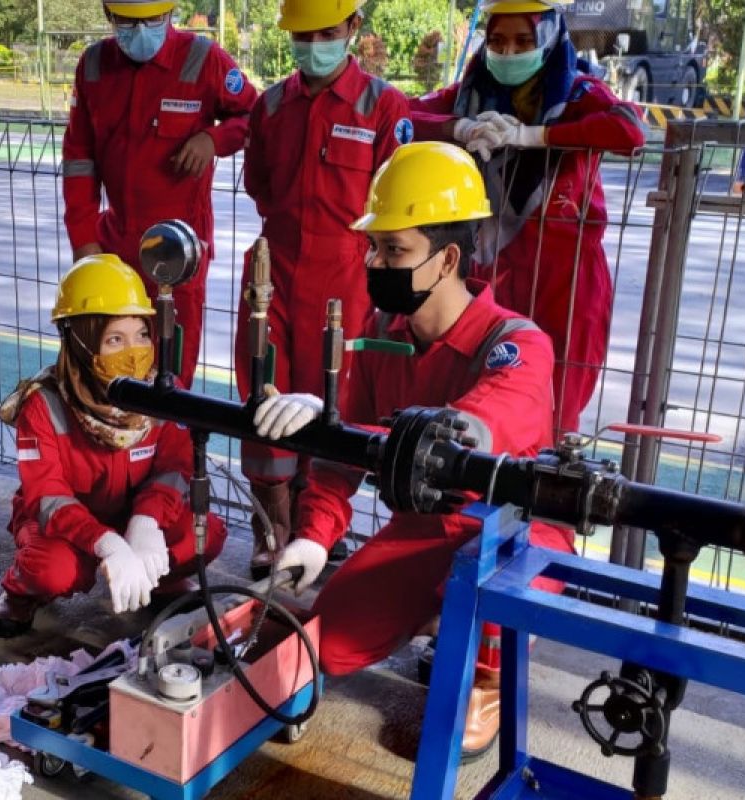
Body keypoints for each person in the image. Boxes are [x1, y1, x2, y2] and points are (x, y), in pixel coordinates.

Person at [252, 142, 575, 757]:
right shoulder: (381, 336)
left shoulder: (517, 345)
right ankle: (435, 615)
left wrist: (354, 427)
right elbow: (343, 461)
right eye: (374, 248)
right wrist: (315, 536)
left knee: (486, 603)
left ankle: (487, 671)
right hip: (428, 524)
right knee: (329, 639)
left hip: (513, 532)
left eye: (394, 250)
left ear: (448, 258)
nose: (376, 262)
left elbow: (469, 429)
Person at [409, 0, 645, 437]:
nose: (508, 53)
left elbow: (630, 130)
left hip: (567, 287)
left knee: (552, 420)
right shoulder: (468, 94)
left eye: (523, 41)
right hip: (491, 277)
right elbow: (401, 116)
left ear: (550, 35)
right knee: (480, 411)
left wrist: (536, 136)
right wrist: (458, 128)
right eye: (497, 41)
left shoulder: (579, 96)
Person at [237, 0, 411, 578]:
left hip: (349, 276)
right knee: (265, 391)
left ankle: (318, 525)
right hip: (275, 271)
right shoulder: (271, 105)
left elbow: (395, 203)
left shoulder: (383, 107)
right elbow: (259, 185)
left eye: (327, 32)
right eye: (303, 34)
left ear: (353, 29)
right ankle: (272, 526)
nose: (314, 44)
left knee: (334, 401)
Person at [0, 254, 227, 637]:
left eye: (142, 335)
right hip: (69, 527)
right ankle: (20, 591)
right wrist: (106, 543)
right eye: (115, 339)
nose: (133, 352)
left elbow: (174, 465)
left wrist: (146, 524)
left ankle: (159, 579)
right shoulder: (43, 405)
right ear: (80, 342)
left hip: (134, 515)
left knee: (206, 533)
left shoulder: (162, 394)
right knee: (50, 569)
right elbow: (47, 496)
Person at [61, 0, 258, 388]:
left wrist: (213, 139)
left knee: (171, 375)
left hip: (178, 251)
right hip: (114, 249)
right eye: (128, 22)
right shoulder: (94, 66)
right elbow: (79, 160)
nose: (140, 31)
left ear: (170, 12)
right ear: (108, 14)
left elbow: (253, 116)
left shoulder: (203, 59)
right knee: (111, 372)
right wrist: (85, 243)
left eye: (152, 19)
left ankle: (171, 446)